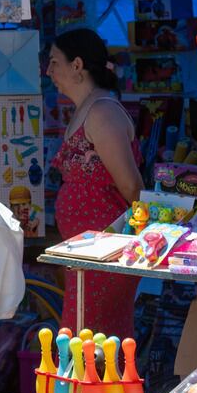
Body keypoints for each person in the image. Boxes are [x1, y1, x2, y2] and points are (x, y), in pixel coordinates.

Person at [47, 28, 144, 340]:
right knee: (82, 337)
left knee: (94, 338)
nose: (48, 71)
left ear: (77, 65)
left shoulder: (103, 112)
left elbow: (131, 186)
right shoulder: (88, 110)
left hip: (105, 252)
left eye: (53, 62)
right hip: (87, 254)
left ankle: (104, 391)